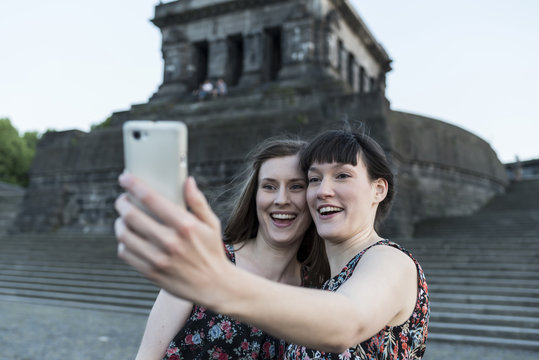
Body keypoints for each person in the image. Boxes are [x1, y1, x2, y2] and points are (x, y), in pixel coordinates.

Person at [116, 129, 430, 359]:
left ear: (379, 190)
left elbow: (347, 323)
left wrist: (218, 283)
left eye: (343, 176)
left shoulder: (390, 261)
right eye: (315, 179)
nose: (323, 191)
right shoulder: (327, 284)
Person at [115, 138, 328, 359]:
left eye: (296, 186)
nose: (281, 199)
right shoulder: (202, 260)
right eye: (269, 186)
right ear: (254, 195)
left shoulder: (318, 288)